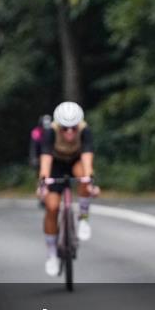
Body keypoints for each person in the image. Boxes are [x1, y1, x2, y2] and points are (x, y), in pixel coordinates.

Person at [37, 101, 99, 277]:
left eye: (73, 127)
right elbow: (46, 160)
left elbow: (87, 159)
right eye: (65, 128)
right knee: (52, 207)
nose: (70, 132)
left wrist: (90, 182)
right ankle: (51, 255)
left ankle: (84, 218)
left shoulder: (85, 130)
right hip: (56, 164)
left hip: (75, 161)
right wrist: (43, 183)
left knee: (84, 176)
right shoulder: (50, 132)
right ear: (59, 126)